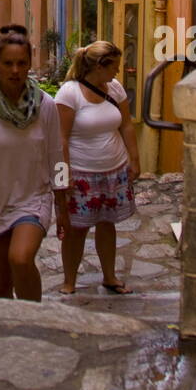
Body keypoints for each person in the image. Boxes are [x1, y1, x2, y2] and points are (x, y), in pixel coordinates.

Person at [0, 31, 69, 301]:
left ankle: (35, 319)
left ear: (29, 64)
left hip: (33, 199)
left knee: (20, 259)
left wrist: (62, 206)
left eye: (21, 63)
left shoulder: (45, 106)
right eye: (8, 63)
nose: (15, 70)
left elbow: (57, 157)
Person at [55, 40, 141, 295]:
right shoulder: (69, 94)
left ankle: (110, 276)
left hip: (113, 170)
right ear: (99, 67)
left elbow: (125, 125)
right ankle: (69, 280)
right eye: (113, 66)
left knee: (107, 224)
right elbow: (61, 137)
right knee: (76, 229)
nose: (117, 72)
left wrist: (134, 160)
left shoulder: (114, 88)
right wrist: (64, 175)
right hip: (82, 173)